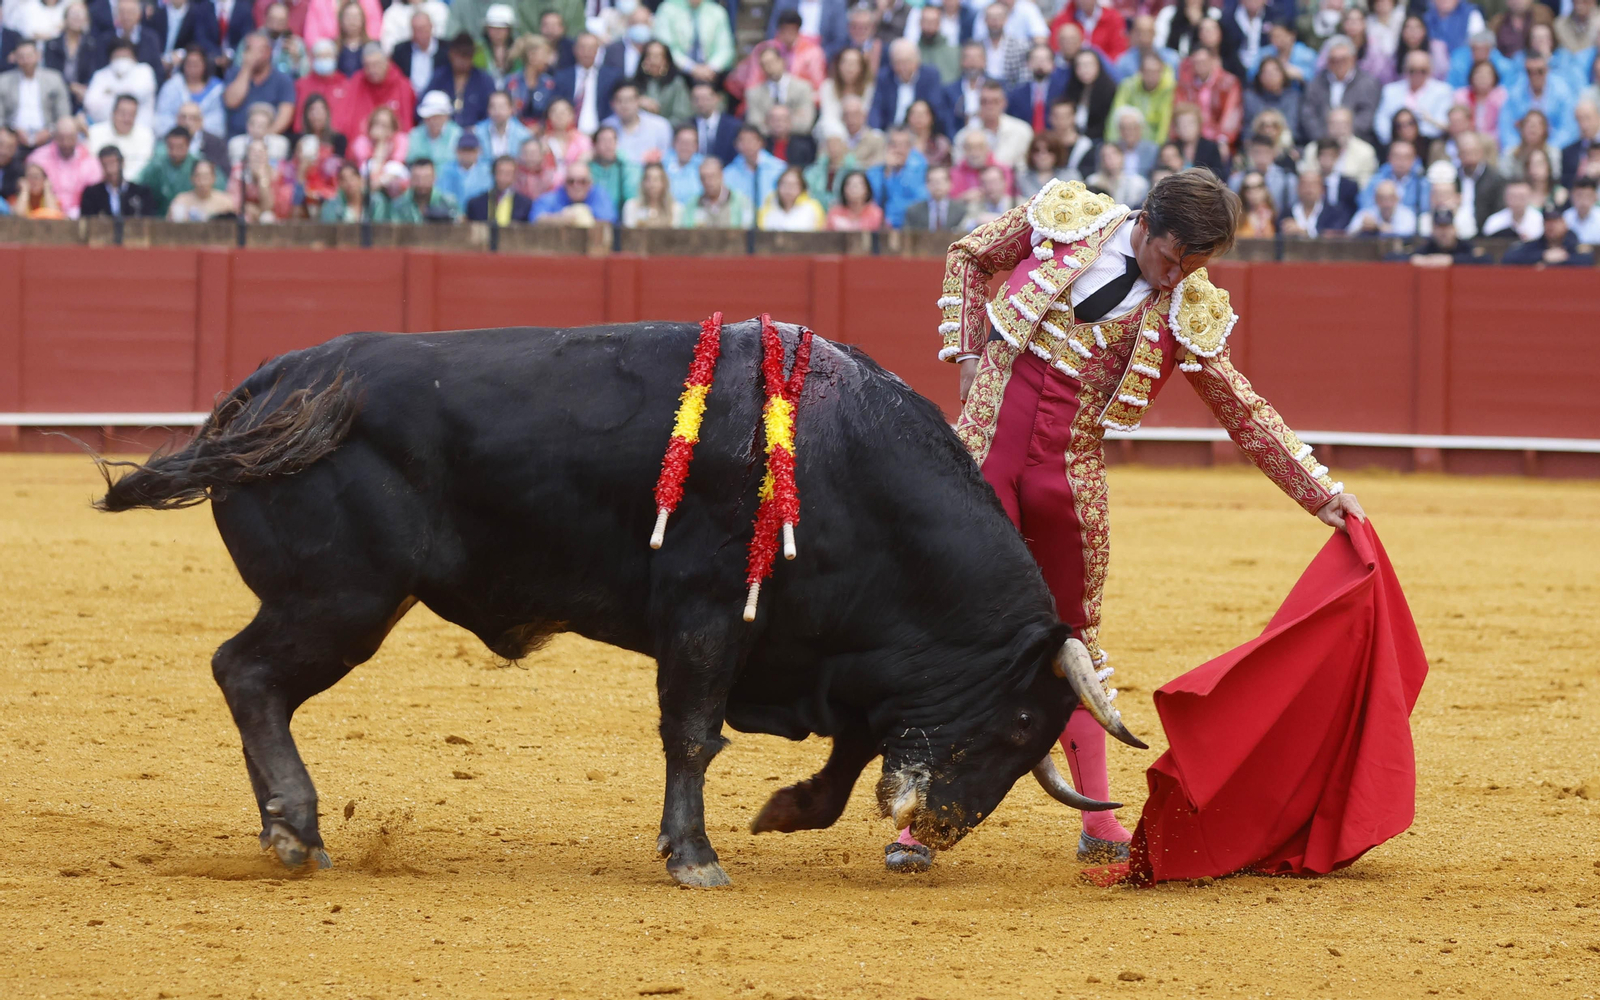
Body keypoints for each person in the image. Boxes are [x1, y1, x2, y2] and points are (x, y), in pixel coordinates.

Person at [906, 168, 1364, 873]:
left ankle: (1098, 818)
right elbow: (970, 254)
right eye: (1171, 258)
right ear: (1145, 224)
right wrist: (967, 354)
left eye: (1196, 266)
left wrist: (1320, 492)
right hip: (983, 455)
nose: (1178, 276)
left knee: (1074, 641)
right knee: (952, 627)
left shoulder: (1188, 308)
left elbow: (1242, 408)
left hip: (1068, 480)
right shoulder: (1067, 218)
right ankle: (918, 815)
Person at [1302, 35, 1381, 144]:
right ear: (1328, 61)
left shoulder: (1368, 83)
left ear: (1353, 58)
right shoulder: (1315, 83)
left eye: (1343, 59)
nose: (1338, 64)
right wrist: (1325, 138)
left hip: (1356, 142)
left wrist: (1344, 136)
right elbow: (1309, 114)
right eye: (1334, 60)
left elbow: (1367, 115)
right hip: (1322, 143)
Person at [223, 31, 295, 138]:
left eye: (258, 50)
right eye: (248, 49)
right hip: (237, 137)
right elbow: (231, 102)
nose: (251, 54)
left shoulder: (283, 80)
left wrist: (263, 137)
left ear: (268, 52)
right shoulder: (234, 73)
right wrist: (247, 68)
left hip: (270, 138)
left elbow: (284, 117)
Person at [1174, 43, 1241, 158]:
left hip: (1217, 137)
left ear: (1212, 61)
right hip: (1193, 136)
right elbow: (1181, 111)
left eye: (1203, 62)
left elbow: (1231, 112)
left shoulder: (1228, 83)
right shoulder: (1185, 86)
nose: (1200, 66)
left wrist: (1223, 139)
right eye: (1196, 63)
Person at [25, 114, 98, 216]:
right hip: (46, 215)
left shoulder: (90, 161)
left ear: (77, 137)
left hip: (81, 216)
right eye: (61, 138)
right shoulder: (38, 158)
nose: (66, 143)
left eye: (70, 138)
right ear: (55, 137)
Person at [653, 0, 735, 88]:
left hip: (711, 73)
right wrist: (692, 68)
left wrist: (711, 68)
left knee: (730, 81)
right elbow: (665, 47)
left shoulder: (717, 11)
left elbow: (725, 49)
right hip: (678, 71)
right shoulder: (667, 9)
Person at [746, 45, 817, 136]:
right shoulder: (754, 93)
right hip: (767, 141)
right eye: (764, 64)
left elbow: (806, 122)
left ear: (782, 61)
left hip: (797, 139)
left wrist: (776, 125)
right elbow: (755, 125)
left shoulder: (803, 88)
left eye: (772, 61)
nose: (769, 66)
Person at [82, 37, 155, 126]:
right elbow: (90, 103)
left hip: (140, 129)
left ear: (134, 58)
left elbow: (138, 93)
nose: (121, 61)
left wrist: (110, 93)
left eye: (125, 57)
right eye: (118, 57)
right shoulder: (100, 75)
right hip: (105, 129)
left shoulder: (144, 71)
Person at [428, 32, 495, 127]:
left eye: (468, 55)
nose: (463, 60)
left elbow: (492, 111)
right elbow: (424, 105)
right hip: (443, 134)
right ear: (451, 54)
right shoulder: (439, 77)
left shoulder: (484, 80)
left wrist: (479, 129)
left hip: (477, 134)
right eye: (460, 55)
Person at [1109, 49, 1174, 146]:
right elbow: (1116, 116)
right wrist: (1112, 144)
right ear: (1140, 71)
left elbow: (1165, 123)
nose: (1151, 75)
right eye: (1148, 71)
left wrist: (1158, 147)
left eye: (1155, 71)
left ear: (1162, 71)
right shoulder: (1128, 86)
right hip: (1126, 140)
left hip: (1153, 143)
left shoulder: (1168, 90)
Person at [41, 2, 96, 115]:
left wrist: (84, 88)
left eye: (80, 15)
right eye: (73, 14)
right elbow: (50, 72)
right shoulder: (52, 45)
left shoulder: (92, 45)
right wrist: (71, 87)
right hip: (57, 92)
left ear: (86, 20)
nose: (77, 18)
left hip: (84, 93)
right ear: (65, 19)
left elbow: (94, 71)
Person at [529, 159, 617, 224]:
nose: (576, 186)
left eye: (582, 182)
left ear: (590, 183)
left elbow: (610, 218)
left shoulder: (599, 194)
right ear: (564, 183)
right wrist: (562, 219)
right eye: (571, 181)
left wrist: (582, 214)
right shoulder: (554, 197)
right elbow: (535, 218)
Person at [604, 82, 672, 164]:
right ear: (612, 104)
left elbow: (667, 159)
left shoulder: (660, 126)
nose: (624, 105)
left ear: (638, 101)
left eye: (629, 100)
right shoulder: (606, 127)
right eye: (619, 101)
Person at [1502, 206, 1596, 265]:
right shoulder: (1536, 245)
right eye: (1547, 222)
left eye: (1555, 222)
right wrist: (1543, 256)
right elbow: (1509, 258)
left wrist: (1560, 260)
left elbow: (1587, 260)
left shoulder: (1574, 245)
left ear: (1564, 224)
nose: (1551, 226)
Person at [79, 142, 154, 215]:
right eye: (105, 165)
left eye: (112, 163)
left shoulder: (141, 193)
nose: (109, 169)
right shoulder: (92, 194)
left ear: (122, 163)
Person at [137, 124, 197, 213]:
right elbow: (139, 185)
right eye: (171, 147)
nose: (175, 151)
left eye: (180, 147)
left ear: (188, 146)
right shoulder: (156, 165)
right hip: (159, 219)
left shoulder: (197, 165)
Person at [723, 122, 785, 207]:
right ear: (736, 145)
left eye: (751, 140)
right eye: (742, 141)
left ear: (761, 142)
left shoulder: (779, 168)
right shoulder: (728, 173)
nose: (747, 145)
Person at [681, 154, 750, 227]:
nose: (707, 182)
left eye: (712, 176)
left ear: (721, 175)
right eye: (703, 178)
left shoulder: (741, 202)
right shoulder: (692, 205)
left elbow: (747, 231)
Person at [1281, 164, 1350, 236]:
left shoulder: (1335, 213)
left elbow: (1333, 236)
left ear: (1322, 189)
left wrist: (1304, 232)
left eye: (1313, 184)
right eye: (1305, 184)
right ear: (1297, 188)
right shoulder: (1287, 213)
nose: (1309, 188)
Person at [633, 39, 690, 126]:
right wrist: (638, 101)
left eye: (657, 56)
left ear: (666, 60)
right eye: (649, 55)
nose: (652, 60)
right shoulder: (634, 82)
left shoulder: (677, 83)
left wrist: (660, 127)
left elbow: (681, 116)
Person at [756, 164, 824, 230]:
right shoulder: (768, 207)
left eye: (793, 185)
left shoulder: (813, 208)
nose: (788, 189)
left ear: (801, 187)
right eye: (784, 184)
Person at [903, 162, 967, 230]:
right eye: (933, 181)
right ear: (926, 184)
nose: (937, 185)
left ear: (950, 183)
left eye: (940, 181)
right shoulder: (914, 212)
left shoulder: (961, 210)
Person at [167, 156, 233, 218]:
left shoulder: (225, 204)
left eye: (206, 177)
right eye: (198, 176)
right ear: (192, 178)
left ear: (214, 178)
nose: (202, 181)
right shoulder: (180, 201)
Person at [436, 129, 490, 205]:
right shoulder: (446, 171)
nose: (467, 154)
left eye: (471, 150)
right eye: (464, 150)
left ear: (479, 151)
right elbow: (442, 195)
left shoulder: (486, 172)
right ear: (456, 151)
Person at [473, 89, 531, 160]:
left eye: (501, 107)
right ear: (488, 109)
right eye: (493, 107)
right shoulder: (477, 133)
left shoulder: (523, 135)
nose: (497, 111)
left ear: (511, 109)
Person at [620, 159, 680, 227]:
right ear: (643, 183)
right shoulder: (631, 206)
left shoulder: (675, 209)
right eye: (648, 179)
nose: (652, 185)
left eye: (656, 180)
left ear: (664, 183)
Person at [407, 90, 460, 165]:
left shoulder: (457, 135)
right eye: (429, 117)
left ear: (446, 116)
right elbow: (411, 161)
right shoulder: (415, 135)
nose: (433, 121)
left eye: (437, 116)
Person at [1562, 175, 1600, 242]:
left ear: (1595, 197)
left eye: (1588, 195)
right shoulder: (1566, 217)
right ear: (1571, 196)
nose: (1583, 200)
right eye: (1579, 195)